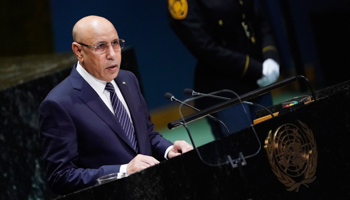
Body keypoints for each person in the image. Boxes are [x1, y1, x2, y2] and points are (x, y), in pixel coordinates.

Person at [39, 15, 193, 195]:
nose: (112, 54)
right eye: (101, 46)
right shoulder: (59, 104)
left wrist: (168, 150)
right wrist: (123, 171)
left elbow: (146, 134)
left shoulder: (128, 79)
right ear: (79, 51)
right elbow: (60, 177)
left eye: (115, 43)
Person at [167, 0, 280, 137]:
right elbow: (205, 48)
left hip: (259, 81)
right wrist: (255, 69)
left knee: (273, 142)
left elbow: (259, 21)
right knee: (244, 149)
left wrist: (270, 56)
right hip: (224, 88)